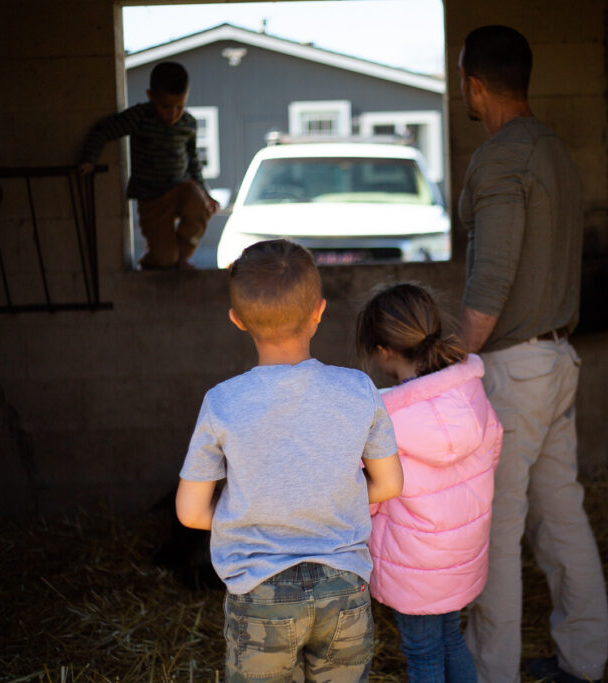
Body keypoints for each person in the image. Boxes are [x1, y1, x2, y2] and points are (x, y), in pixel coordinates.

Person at [456, 25, 608, 683]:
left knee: (495, 527)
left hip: (513, 368)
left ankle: (492, 673)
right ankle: (584, 659)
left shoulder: (501, 159)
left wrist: (450, 361)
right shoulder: (554, 152)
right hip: (557, 361)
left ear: (475, 84)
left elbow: (489, 282)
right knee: (562, 515)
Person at [175, 239, 403, 682]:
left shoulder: (223, 402)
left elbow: (190, 512)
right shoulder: (356, 389)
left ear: (237, 320)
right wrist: (333, 500)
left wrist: (257, 515)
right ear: (319, 312)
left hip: (260, 592)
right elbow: (390, 483)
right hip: (343, 585)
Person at [356, 283, 502, 683]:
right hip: (461, 550)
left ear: (384, 352)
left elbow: (370, 495)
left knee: (422, 656)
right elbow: (493, 448)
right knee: (451, 638)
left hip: (413, 560)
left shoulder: (385, 418)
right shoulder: (468, 392)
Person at [77, 61, 219, 270]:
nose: (172, 114)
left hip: (181, 189)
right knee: (165, 259)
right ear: (151, 96)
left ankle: (183, 258)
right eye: (165, 106)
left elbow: (193, 161)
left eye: (179, 106)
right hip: (152, 198)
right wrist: (90, 158)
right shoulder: (140, 117)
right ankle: (154, 260)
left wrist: (205, 193)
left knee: (199, 205)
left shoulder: (188, 123)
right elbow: (105, 129)